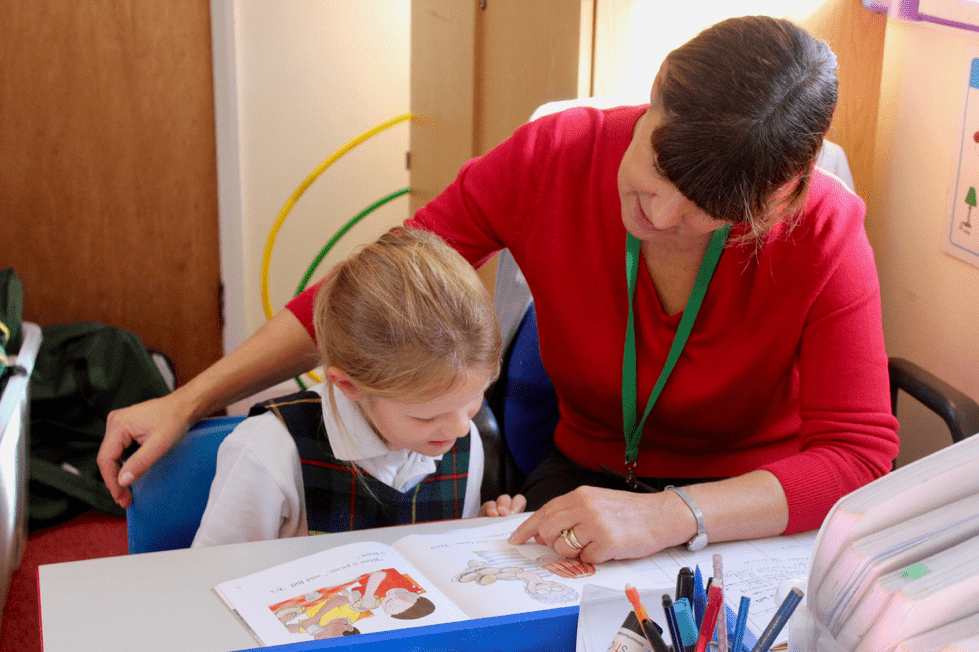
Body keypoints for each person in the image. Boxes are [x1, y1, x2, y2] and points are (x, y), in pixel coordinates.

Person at [99, 16, 899, 563]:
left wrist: (671, 515)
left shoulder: (823, 230)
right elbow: (367, 292)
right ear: (654, 97)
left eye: (705, 214)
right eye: (654, 171)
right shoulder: (554, 157)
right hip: (577, 476)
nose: (658, 214)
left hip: (744, 508)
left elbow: (858, 454)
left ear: (782, 197)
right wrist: (189, 400)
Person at [190, 228, 523, 547]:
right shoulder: (269, 452)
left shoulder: (459, 439)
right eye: (426, 417)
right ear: (350, 385)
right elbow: (211, 580)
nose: (462, 427)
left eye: (473, 399)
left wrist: (477, 532)